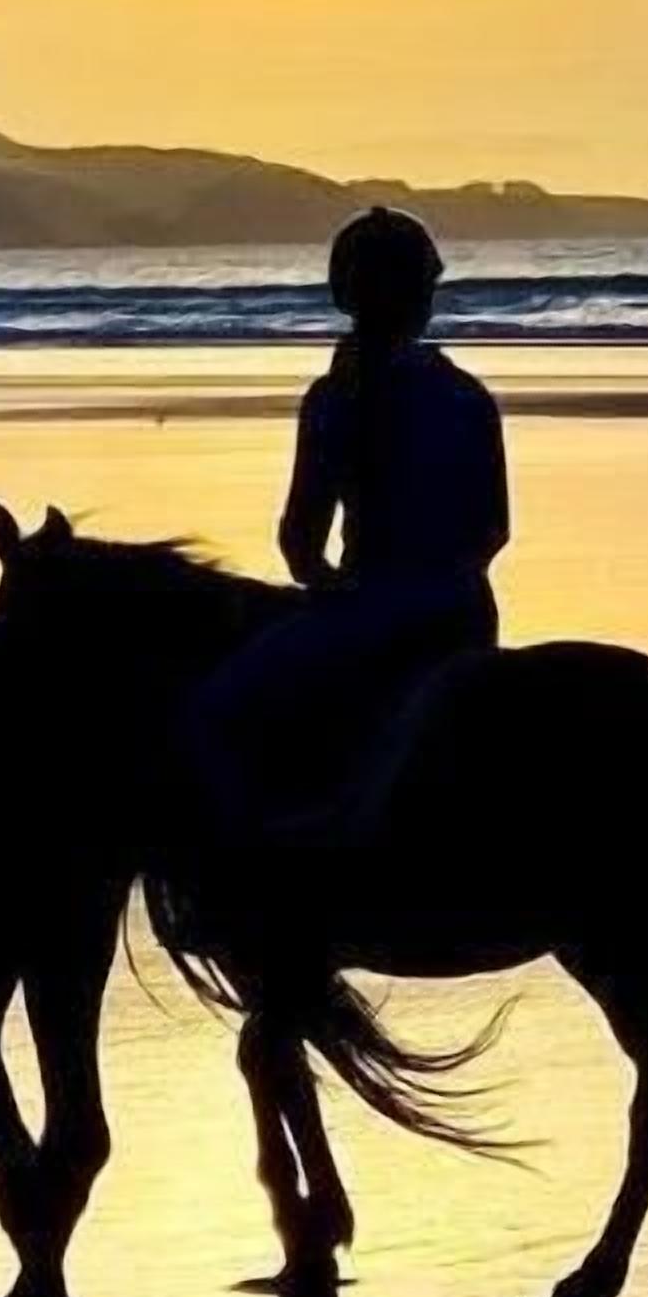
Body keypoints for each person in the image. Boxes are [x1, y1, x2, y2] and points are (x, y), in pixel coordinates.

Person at [187, 206, 509, 843]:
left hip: (375, 608)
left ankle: (254, 862)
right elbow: (493, 529)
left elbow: (301, 540)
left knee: (216, 709)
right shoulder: (467, 393)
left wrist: (329, 585)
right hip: (467, 610)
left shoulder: (335, 399)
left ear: (347, 295)